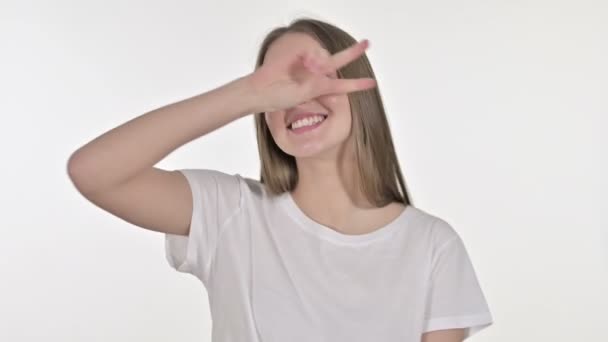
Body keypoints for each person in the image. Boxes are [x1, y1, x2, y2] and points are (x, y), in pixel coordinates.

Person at [68, 17, 493, 342]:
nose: (297, 96)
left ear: (358, 88)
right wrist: (246, 95)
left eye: (316, 76)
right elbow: (94, 172)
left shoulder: (432, 246)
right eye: (281, 85)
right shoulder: (229, 213)